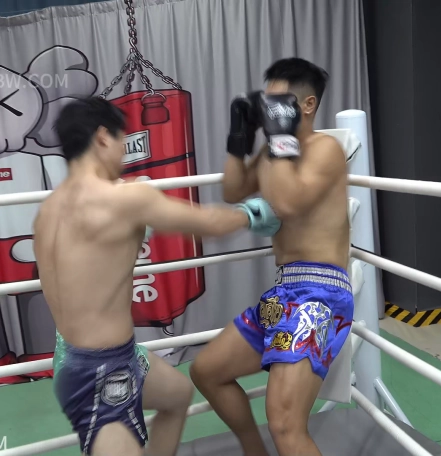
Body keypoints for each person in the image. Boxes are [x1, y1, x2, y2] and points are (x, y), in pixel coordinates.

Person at [33, 97, 282, 456]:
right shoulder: (124, 198)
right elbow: (209, 223)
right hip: (103, 373)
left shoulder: (49, 211)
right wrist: (253, 214)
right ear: (102, 137)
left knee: (177, 395)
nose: (124, 152)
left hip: (81, 358)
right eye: (122, 141)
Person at [189, 58, 353, 456]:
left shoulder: (324, 150)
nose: (268, 109)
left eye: (279, 101)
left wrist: (280, 136)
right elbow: (232, 190)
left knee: (284, 422)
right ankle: (254, 451)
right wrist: (240, 140)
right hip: (284, 292)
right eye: (267, 101)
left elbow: (288, 202)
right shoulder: (272, 152)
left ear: (308, 105)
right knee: (207, 371)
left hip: (320, 295)